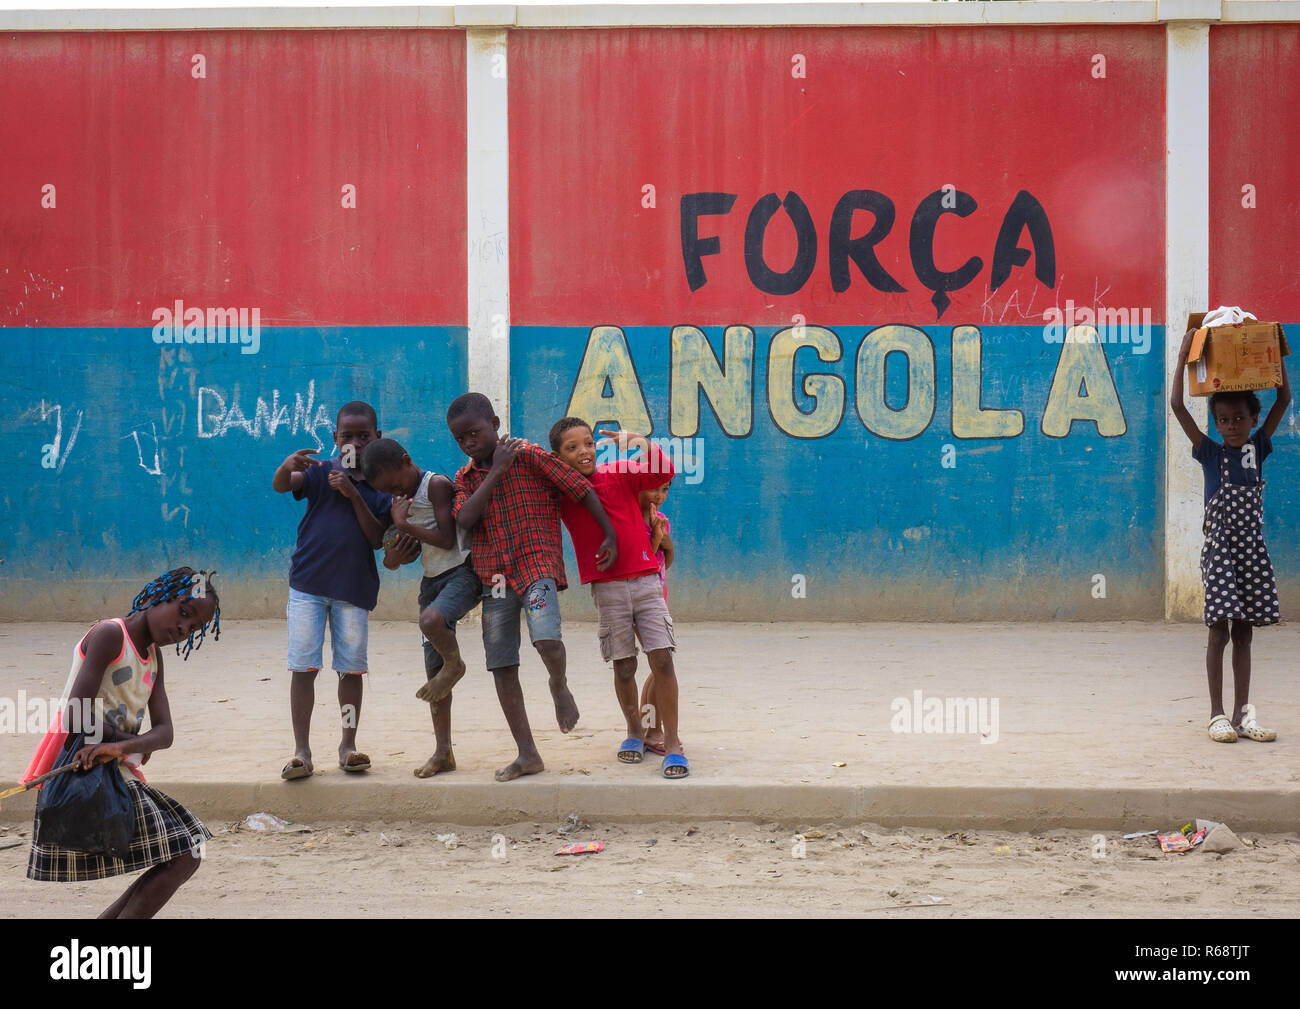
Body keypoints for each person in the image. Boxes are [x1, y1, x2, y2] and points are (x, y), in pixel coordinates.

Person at [22, 567, 220, 918]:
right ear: (159, 596)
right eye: (184, 613)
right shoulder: (110, 635)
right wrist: (132, 742)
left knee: (183, 852)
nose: (182, 629)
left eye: (193, 629)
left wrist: (122, 745)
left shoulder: (154, 657)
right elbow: (76, 717)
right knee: (185, 853)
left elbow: (166, 733)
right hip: (83, 769)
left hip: (114, 767)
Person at [447, 393, 618, 781]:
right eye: (461, 439)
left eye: (474, 433)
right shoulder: (464, 479)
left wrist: (608, 533)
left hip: (536, 563)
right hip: (494, 577)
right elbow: (466, 519)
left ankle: (559, 684)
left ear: (494, 423)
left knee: (546, 640)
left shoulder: (530, 456)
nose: (469, 443)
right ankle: (527, 754)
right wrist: (495, 471)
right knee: (502, 664)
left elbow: (580, 488)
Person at [550, 418, 688, 778]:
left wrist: (640, 442)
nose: (584, 452)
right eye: (572, 447)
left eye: (588, 444)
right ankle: (634, 732)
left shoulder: (620, 472)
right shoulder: (562, 491)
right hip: (607, 588)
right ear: (558, 456)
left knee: (662, 660)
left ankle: (672, 742)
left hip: (646, 581)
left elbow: (664, 471)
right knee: (624, 664)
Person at [1171, 327, 1290, 742]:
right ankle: (1216, 715)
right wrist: (1185, 355)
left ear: (1254, 420)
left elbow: (1284, 399)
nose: (1232, 426)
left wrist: (1275, 359)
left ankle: (1244, 715)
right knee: (1219, 629)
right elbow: (1177, 406)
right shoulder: (1210, 452)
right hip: (1221, 551)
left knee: (1245, 633)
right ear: (1216, 423)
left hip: (1250, 551)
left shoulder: (1260, 447)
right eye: (1224, 420)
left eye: (1240, 418)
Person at [272, 401, 391, 778]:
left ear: (378, 438)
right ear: (334, 438)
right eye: (346, 436)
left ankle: (348, 745)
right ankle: (302, 751)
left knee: (350, 671)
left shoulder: (381, 484)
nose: (354, 443)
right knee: (303, 667)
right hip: (308, 585)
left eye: (363, 436)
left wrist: (353, 495)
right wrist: (286, 466)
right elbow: (281, 486)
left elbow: (376, 539)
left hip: (353, 591)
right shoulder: (320, 472)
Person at [362, 437, 482, 778]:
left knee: (430, 621)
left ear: (406, 460)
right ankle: (443, 752)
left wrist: (404, 524)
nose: (396, 493)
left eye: (397, 483)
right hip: (431, 581)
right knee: (434, 674)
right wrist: (393, 558)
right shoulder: (396, 501)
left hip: (461, 573)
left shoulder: (437, 486)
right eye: (389, 491)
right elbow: (391, 556)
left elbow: (446, 538)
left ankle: (455, 664)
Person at [638, 480, 673, 754]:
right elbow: (644, 558)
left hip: (657, 595)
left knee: (658, 664)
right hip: (636, 596)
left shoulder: (660, 519)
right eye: (654, 489)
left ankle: (649, 728)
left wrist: (663, 541)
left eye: (666, 490)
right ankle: (651, 730)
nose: (660, 496)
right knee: (659, 663)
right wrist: (656, 539)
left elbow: (666, 559)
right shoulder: (632, 519)